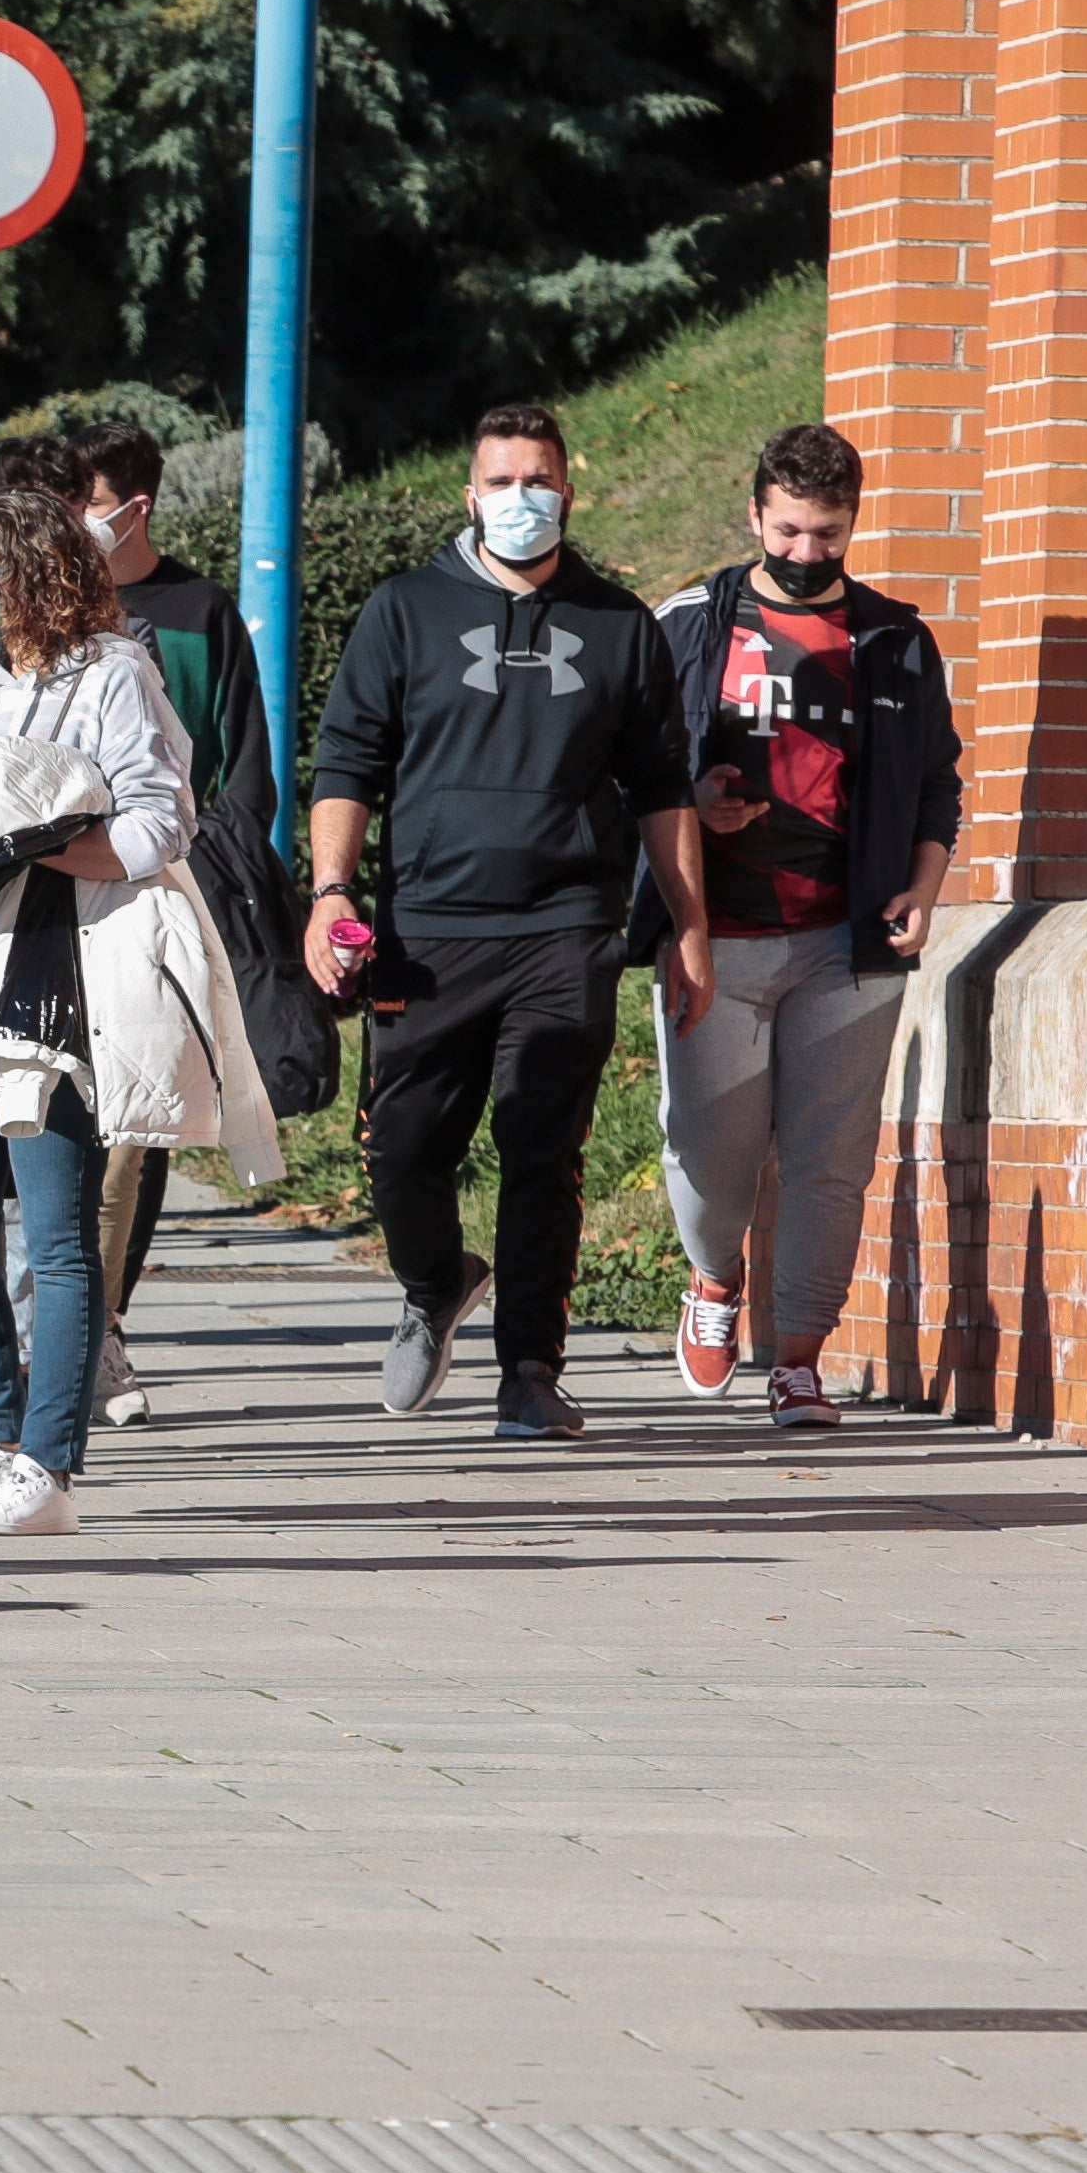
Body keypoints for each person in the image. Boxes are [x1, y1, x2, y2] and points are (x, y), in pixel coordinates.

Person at [304, 402, 707, 1442]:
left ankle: (530, 1370)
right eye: (501, 481)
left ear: (568, 493)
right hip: (428, 932)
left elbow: (665, 790)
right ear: (470, 493)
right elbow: (348, 762)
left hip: (565, 929)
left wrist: (688, 932)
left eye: (540, 481)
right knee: (401, 1147)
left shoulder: (621, 625)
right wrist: (332, 892)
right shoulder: (405, 611)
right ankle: (437, 1282)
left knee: (543, 1147)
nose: (521, 499)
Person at [0, 486, 194, 1536]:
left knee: (54, 1232)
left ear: (35, 575)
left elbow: (160, 825)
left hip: (55, 970)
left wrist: (37, 842)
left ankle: (51, 1464)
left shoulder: (113, 674)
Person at [652, 422, 959, 1429]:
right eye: (788, 530)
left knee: (831, 1159)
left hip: (849, 939)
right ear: (754, 514)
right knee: (713, 1156)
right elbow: (634, 772)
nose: (806, 552)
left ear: (851, 523)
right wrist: (693, 800)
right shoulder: (691, 623)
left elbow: (935, 786)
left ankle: (798, 1360)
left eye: (828, 534)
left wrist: (924, 885)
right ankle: (713, 1280)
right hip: (716, 935)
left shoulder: (895, 641)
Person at [55, 418, 276, 1428]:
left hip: (152, 900)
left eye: (85, 501)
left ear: (132, 508)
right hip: (46, 900)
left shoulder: (195, 612)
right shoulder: (39, 606)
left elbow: (246, 771)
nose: (69, 520)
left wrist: (199, 874)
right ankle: (44, 1317)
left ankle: (95, 1326)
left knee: (130, 1129)